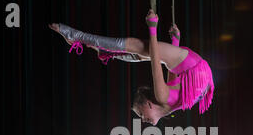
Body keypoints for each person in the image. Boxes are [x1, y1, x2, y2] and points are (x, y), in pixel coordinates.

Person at [49, 9, 214, 126]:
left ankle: (93, 45)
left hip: (197, 71)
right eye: (141, 114)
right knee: (140, 48)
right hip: (196, 69)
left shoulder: (165, 101)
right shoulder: (164, 100)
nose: (143, 120)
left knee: (143, 53)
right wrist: (152, 28)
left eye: (141, 116)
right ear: (149, 104)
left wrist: (175, 43)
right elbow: (157, 62)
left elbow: (167, 68)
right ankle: (79, 37)